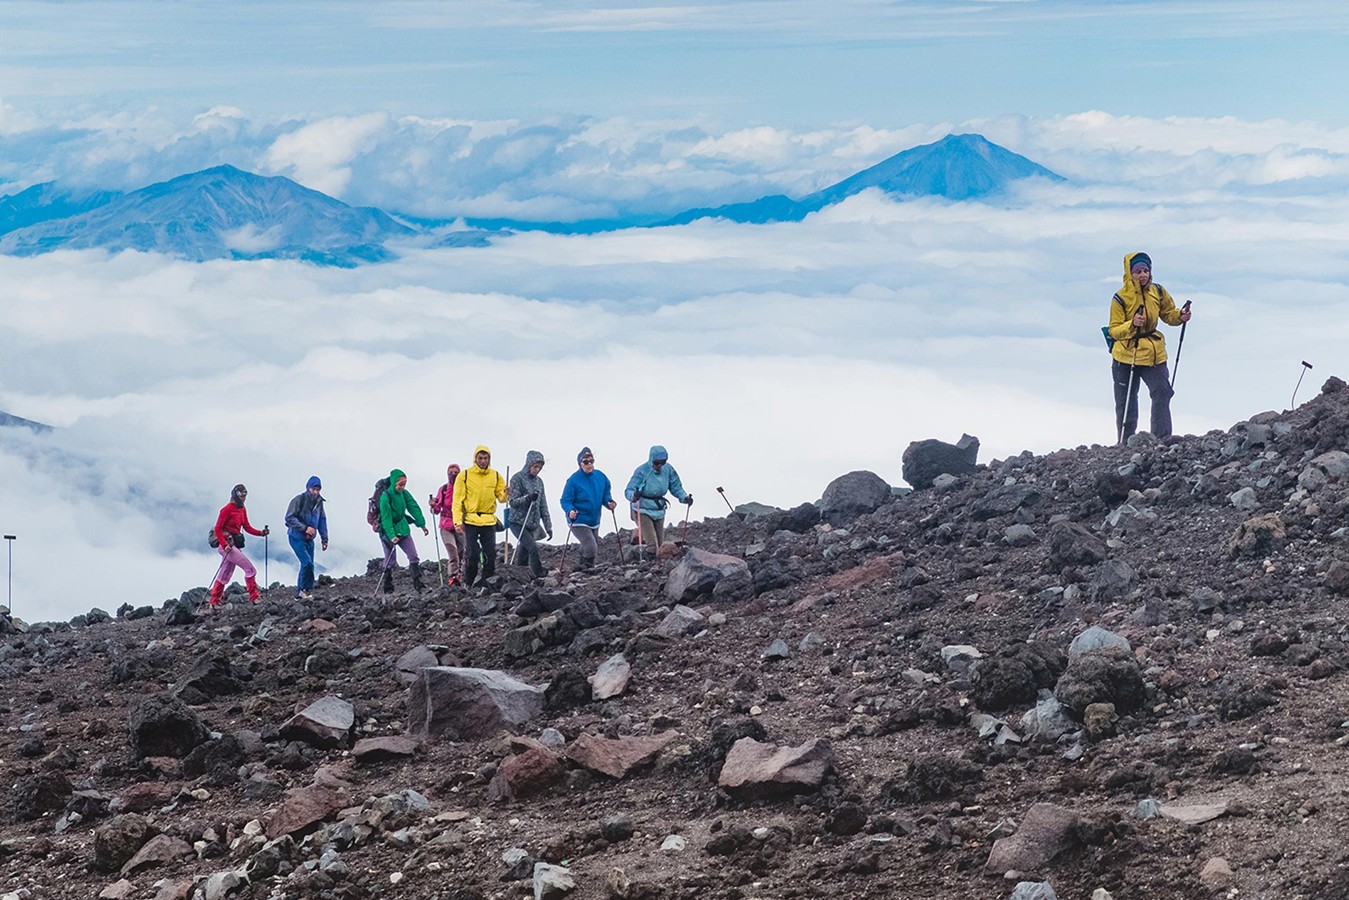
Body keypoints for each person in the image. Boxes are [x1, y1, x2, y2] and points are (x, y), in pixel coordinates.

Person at [1107, 251, 1192, 443]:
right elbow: (1114, 330)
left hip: (1153, 353)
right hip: (1126, 355)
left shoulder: (1158, 292)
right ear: (1130, 273)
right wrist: (1132, 325)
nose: (1143, 274)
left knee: (1162, 391)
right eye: (1138, 271)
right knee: (1126, 402)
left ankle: (1161, 439)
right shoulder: (1120, 298)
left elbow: (1168, 313)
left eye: (1146, 270)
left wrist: (1180, 316)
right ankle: (1126, 442)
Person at [453, 445, 509, 588]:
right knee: (472, 554)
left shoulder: (495, 475)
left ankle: (486, 583)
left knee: (491, 554)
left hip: (489, 520)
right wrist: (458, 522)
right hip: (471, 520)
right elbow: (457, 501)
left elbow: (502, 498)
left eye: (486, 458)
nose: (483, 461)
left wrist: (507, 492)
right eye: (480, 458)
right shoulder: (464, 476)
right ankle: (468, 582)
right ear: (475, 459)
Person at [210, 484, 270, 607]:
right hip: (227, 546)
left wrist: (260, 533)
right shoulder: (227, 509)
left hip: (232, 546)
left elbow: (246, 526)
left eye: (245, 495)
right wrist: (224, 544)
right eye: (241, 495)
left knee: (224, 574)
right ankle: (255, 597)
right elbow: (218, 529)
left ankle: (214, 602)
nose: (243, 498)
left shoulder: (242, 509)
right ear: (235, 495)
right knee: (250, 569)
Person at [624, 445, 692, 551]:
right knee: (652, 543)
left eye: (662, 462)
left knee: (660, 544)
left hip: (659, 510)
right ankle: (650, 562)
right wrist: (633, 495)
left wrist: (684, 498)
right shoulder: (642, 471)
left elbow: (676, 486)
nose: (659, 465)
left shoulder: (668, 469)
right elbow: (629, 489)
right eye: (656, 462)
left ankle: (657, 564)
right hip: (642, 509)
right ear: (651, 460)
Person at [560, 446, 617, 570]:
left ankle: (579, 568)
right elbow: (565, 500)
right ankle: (588, 569)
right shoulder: (573, 480)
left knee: (591, 545)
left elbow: (605, 494)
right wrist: (570, 510)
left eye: (591, 461)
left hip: (594, 520)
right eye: (586, 462)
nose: (589, 464)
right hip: (578, 520)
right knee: (591, 547)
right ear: (580, 463)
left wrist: (609, 502)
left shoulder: (601, 477)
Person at [378, 468, 429, 593]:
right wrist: (392, 535)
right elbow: (386, 519)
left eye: (404, 484)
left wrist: (422, 524)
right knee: (390, 561)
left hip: (403, 528)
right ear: (394, 482)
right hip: (387, 531)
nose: (402, 487)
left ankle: (419, 585)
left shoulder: (404, 494)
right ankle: (388, 587)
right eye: (400, 484)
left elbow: (413, 507)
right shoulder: (385, 497)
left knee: (413, 557)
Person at [508, 450, 553, 578]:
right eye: (535, 466)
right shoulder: (517, 478)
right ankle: (538, 574)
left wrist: (548, 526)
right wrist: (528, 498)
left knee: (524, 551)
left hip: (531, 523)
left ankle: (519, 575)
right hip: (517, 522)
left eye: (539, 467)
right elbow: (513, 502)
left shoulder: (539, 482)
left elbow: (543, 504)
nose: (537, 469)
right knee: (532, 547)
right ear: (529, 464)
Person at [283, 475, 328, 600]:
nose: (316, 492)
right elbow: (289, 518)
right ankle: (305, 590)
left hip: (309, 539)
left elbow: (322, 521)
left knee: (308, 564)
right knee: (307, 563)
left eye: (318, 489)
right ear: (308, 488)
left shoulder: (319, 503)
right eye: (314, 489)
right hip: (296, 537)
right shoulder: (299, 500)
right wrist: (304, 528)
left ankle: (299, 594)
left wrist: (324, 538)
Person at [429, 463, 466, 586]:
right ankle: (453, 576)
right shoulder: (444, 490)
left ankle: (459, 575)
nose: (453, 475)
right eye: (451, 472)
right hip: (446, 526)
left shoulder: (464, 489)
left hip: (460, 525)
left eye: (456, 472)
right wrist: (434, 505)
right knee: (453, 551)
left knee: (462, 552)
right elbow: (437, 509)